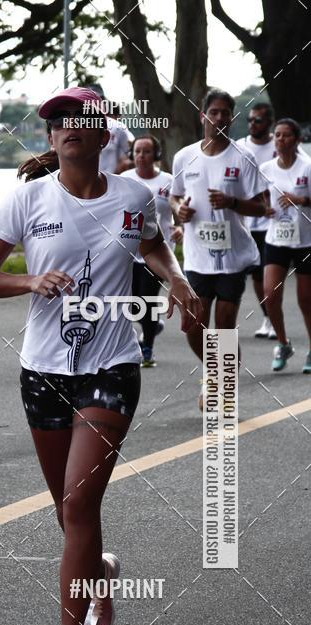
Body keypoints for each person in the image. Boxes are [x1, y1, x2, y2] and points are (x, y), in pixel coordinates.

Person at [0, 87, 200, 625]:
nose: (70, 129)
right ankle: (100, 571)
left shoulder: (135, 196)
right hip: (42, 371)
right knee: (68, 510)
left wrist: (175, 280)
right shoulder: (27, 200)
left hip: (112, 367)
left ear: (105, 136)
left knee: (77, 506)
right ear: (50, 139)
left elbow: (153, 247)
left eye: (83, 121)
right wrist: (29, 280)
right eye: (59, 123)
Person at [170, 89, 266, 410]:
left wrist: (233, 202)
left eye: (226, 113)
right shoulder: (185, 157)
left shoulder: (243, 158)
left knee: (224, 326)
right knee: (194, 326)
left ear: (232, 117)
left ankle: (222, 388)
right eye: (215, 112)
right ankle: (216, 372)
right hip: (197, 256)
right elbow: (174, 197)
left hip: (232, 256)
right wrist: (178, 211)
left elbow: (263, 206)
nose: (221, 118)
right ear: (203, 116)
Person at [121, 134, 183, 366]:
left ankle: (147, 347)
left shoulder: (168, 181)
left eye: (146, 151)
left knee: (146, 299)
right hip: (129, 250)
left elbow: (181, 210)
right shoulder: (124, 179)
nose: (141, 156)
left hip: (157, 250)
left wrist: (180, 228)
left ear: (156, 155)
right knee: (131, 301)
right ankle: (152, 326)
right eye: (137, 151)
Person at [259, 118, 311, 373]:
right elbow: (259, 197)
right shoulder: (266, 168)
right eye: (277, 135)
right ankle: (283, 343)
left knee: (306, 299)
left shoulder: (307, 167)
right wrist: (264, 209)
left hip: (305, 240)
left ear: (297, 140)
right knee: (270, 295)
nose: (280, 140)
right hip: (277, 238)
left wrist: (301, 199)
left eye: (286, 135)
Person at [236, 103, 277, 338]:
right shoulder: (241, 146)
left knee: (266, 274)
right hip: (247, 221)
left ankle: (273, 319)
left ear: (269, 123)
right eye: (250, 120)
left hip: (272, 222)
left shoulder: (278, 143)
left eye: (258, 120)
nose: (252, 124)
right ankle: (267, 319)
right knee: (255, 275)